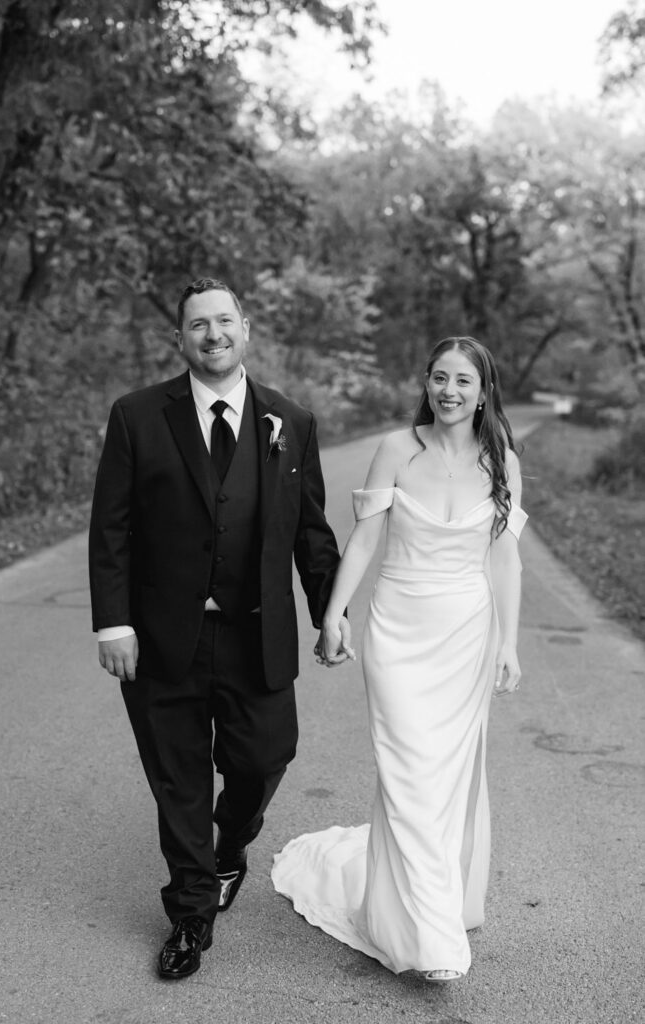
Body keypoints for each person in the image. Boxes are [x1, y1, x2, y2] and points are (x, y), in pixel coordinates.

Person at [89, 277, 347, 980]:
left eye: (223, 320)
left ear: (245, 329)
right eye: (197, 324)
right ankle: (190, 915)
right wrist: (112, 623)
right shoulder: (138, 416)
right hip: (161, 636)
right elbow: (110, 527)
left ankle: (231, 846)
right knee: (178, 781)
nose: (212, 334)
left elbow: (310, 532)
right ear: (180, 338)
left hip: (255, 637)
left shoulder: (289, 421)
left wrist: (331, 611)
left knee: (265, 758)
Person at [272, 336, 527, 982]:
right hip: (397, 633)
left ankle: (426, 906)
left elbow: (503, 557)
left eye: (462, 381)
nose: (448, 391)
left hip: (466, 634)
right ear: (425, 381)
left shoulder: (501, 460)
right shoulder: (395, 448)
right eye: (439, 377)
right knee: (406, 770)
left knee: (444, 779)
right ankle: (425, 935)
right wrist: (332, 613)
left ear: (482, 390)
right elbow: (363, 541)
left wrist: (509, 642)